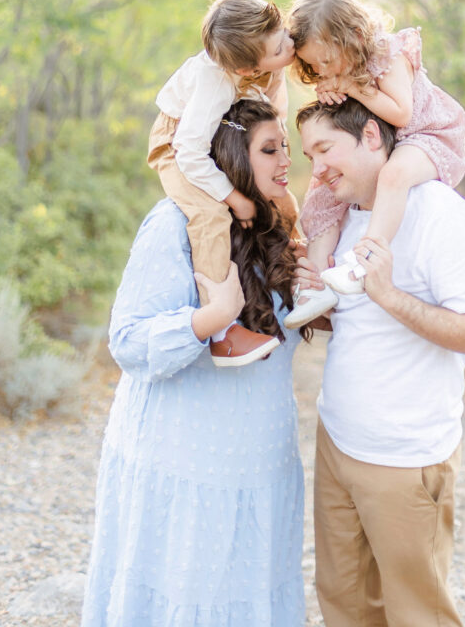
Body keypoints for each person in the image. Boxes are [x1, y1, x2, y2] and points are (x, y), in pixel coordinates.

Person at [82, 100, 308, 627]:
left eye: (287, 150)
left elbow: (280, 343)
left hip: (258, 462)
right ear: (230, 155)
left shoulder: (278, 227)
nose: (284, 163)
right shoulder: (175, 223)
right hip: (183, 461)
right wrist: (212, 318)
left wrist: (312, 294)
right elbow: (129, 340)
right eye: (269, 150)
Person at [295, 97, 465, 627]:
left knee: (418, 613)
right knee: (343, 601)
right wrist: (314, 301)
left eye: (324, 149)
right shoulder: (341, 218)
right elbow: (356, 330)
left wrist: (388, 295)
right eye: (308, 154)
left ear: (368, 135)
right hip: (337, 442)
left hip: (406, 457)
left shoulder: (441, 215)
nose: (315, 168)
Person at [284, 0, 465, 330]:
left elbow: (401, 113)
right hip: (389, 140)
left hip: (427, 134)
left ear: (354, 35)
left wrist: (352, 88)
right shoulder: (337, 68)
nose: (323, 71)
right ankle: (314, 286)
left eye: (326, 60)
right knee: (320, 196)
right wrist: (332, 96)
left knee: (393, 176)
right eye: (314, 65)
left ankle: (364, 260)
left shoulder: (390, 53)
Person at [147, 0, 297, 364]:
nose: (289, 47)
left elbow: (273, 114)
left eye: (285, 35)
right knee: (210, 215)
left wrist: (277, 72)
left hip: (206, 137)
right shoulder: (214, 83)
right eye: (280, 50)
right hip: (176, 145)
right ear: (246, 69)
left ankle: (301, 270)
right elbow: (190, 152)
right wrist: (233, 197)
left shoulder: (252, 60)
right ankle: (221, 331)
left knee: (279, 198)